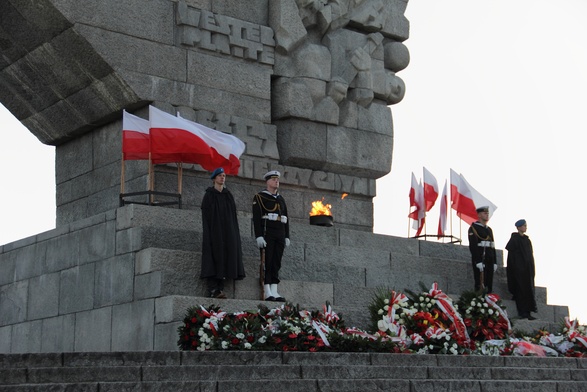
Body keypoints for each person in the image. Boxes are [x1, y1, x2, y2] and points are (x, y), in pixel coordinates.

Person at [200, 167, 245, 298]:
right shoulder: (209, 195)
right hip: (214, 231)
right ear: (214, 178)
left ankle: (221, 287)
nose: (222, 178)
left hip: (227, 232)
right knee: (214, 255)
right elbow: (206, 216)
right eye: (220, 175)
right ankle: (213, 288)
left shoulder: (228, 196)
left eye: (224, 175)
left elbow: (233, 216)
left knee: (226, 256)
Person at [252, 170, 290, 301]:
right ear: (267, 181)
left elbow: (286, 218)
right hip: (268, 232)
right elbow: (256, 219)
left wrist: (287, 236)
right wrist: (259, 236)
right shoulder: (260, 197)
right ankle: (267, 290)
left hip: (280, 232)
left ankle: (275, 289)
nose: (276, 181)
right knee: (267, 261)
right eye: (273, 179)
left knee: (276, 262)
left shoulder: (281, 199)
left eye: (277, 179)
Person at [506, 219, 538, 320]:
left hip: (527, 270)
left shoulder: (527, 240)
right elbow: (512, 258)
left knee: (528, 290)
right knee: (520, 290)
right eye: (524, 225)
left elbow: (530, 256)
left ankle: (528, 312)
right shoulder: (514, 240)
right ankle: (522, 312)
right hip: (519, 271)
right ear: (519, 227)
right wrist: (518, 268)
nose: (525, 227)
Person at [468, 206, 497, 293]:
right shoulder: (474, 228)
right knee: (480, 282)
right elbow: (473, 246)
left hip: (489, 258)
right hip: (481, 258)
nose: (487, 215)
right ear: (479, 215)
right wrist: (478, 261)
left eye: (487, 213)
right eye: (485, 213)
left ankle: (488, 302)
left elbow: (492, 246)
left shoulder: (489, 230)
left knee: (489, 283)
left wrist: (495, 261)